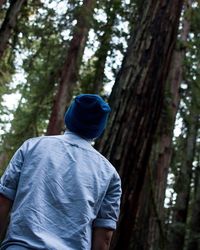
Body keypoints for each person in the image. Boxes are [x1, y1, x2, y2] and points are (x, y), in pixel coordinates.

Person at [0, 94, 122, 250]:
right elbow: (104, 237)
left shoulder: (32, 147)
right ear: (99, 129)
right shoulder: (110, 174)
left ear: (69, 116)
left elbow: (3, 203)